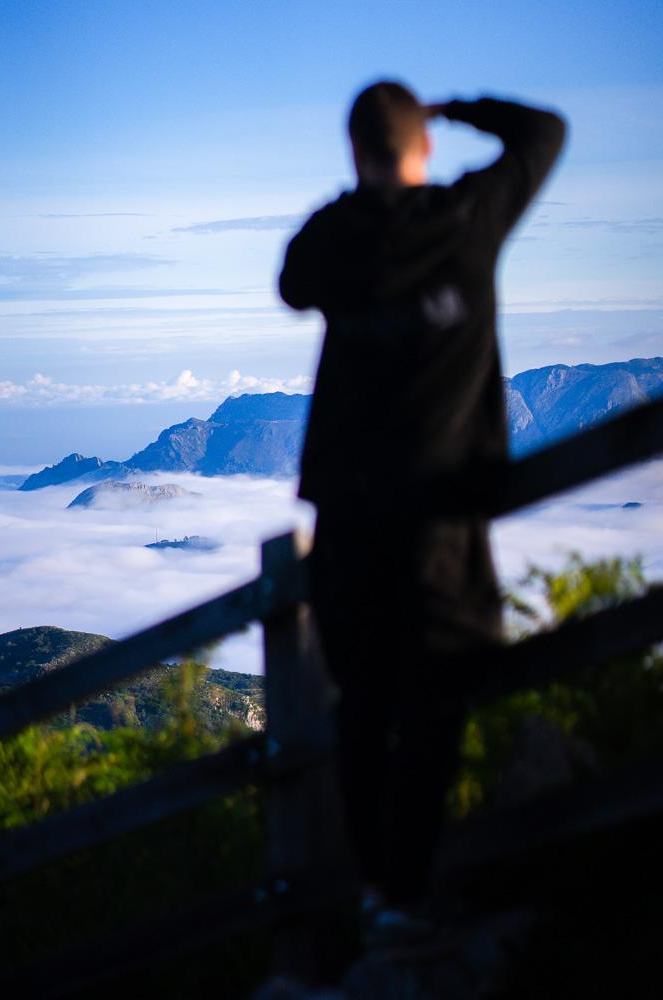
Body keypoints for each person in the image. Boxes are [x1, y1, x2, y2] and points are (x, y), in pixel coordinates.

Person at [279, 82, 566, 912]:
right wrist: (453, 108)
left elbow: (292, 282)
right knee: (439, 695)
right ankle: (409, 891)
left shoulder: (340, 240)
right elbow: (545, 131)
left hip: (349, 524)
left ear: (357, 156)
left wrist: (358, 192)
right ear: (424, 149)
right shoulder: (469, 220)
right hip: (440, 522)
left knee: (362, 707)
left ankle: (383, 895)